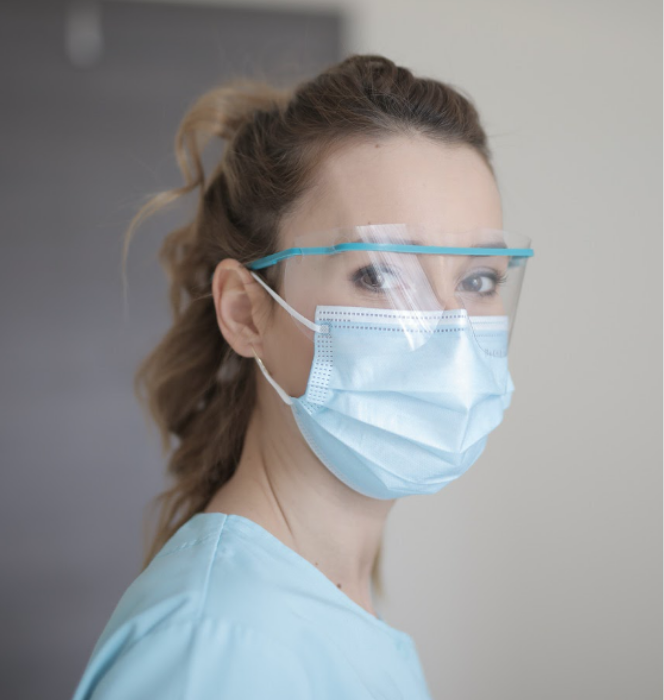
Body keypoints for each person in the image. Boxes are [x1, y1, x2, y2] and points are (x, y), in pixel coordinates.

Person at [72, 53, 532, 699]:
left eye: (479, 280)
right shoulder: (212, 648)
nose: (451, 336)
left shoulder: (325, 602)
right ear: (245, 311)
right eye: (379, 275)